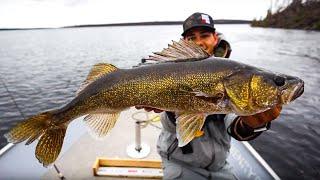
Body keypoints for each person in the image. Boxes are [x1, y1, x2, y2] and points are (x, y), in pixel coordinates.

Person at [137, 12, 282, 180]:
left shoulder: (235, 76)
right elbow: (169, 127)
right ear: (185, 42)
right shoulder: (170, 70)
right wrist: (174, 108)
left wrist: (253, 124)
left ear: (215, 37)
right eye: (192, 37)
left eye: (205, 35)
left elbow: (234, 124)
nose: (199, 42)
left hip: (220, 166)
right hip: (179, 164)